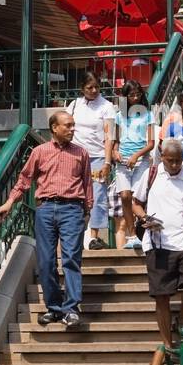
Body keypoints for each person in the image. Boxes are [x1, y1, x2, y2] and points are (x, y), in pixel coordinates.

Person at [0, 109, 93, 328]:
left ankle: (71, 308)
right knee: (45, 261)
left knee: (70, 258)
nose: (72, 129)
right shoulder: (39, 152)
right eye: (67, 125)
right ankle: (54, 307)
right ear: (54, 128)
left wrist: (87, 211)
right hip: (45, 208)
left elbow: (87, 183)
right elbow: (24, 180)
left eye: (73, 125)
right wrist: (10, 202)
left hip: (72, 208)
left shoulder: (82, 153)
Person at [133, 138, 183, 349]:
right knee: (162, 297)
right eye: (171, 161)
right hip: (158, 243)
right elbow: (136, 204)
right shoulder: (151, 174)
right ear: (162, 158)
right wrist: (144, 219)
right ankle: (168, 345)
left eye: (178, 161)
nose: (175, 165)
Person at [67, 72, 117, 250]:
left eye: (97, 86)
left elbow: (109, 136)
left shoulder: (107, 106)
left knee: (97, 195)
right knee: (73, 195)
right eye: (89, 87)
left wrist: (107, 162)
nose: (94, 90)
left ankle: (94, 236)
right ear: (82, 88)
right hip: (74, 156)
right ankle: (73, 235)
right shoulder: (74, 105)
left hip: (98, 157)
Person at [113, 80, 156, 249]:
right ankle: (132, 235)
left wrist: (136, 155)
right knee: (125, 196)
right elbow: (114, 141)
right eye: (131, 95)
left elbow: (151, 143)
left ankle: (145, 234)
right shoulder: (117, 116)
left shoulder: (149, 114)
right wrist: (115, 152)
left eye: (138, 94)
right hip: (122, 161)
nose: (135, 98)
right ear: (125, 96)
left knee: (138, 200)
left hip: (141, 160)